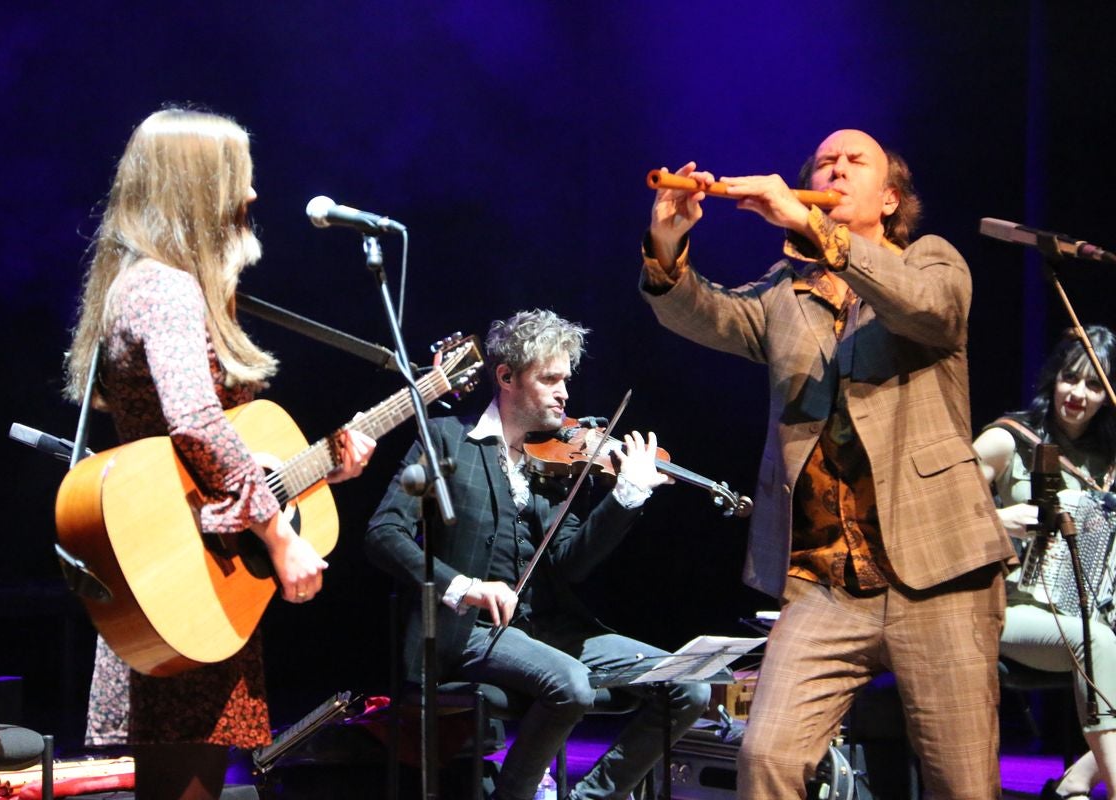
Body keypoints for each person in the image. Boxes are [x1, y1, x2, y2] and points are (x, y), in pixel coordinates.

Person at [639, 129, 1015, 799]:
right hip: (824, 580)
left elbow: (934, 313)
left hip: (939, 571)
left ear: (890, 196)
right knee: (766, 758)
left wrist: (813, 227)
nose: (834, 169)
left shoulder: (929, 260)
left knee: (962, 784)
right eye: (823, 163)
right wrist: (669, 244)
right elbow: (705, 314)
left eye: (853, 162)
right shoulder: (789, 290)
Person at [64, 108, 375, 800]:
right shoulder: (167, 290)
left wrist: (324, 467)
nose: (254, 196)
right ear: (195, 188)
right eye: (239, 179)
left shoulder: (145, 285)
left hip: (182, 568)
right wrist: (277, 533)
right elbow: (199, 424)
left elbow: (213, 440)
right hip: (186, 572)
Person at [364, 309, 711, 800]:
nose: (564, 393)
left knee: (688, 686)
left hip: (550, 628)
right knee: (570, 684)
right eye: (550, 379)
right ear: (505, 377)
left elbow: (570, 563)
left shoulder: (554, 463)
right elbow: (384, 532)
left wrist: (625, 497)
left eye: (566, 379)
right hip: (468, 632)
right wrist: (465, 588)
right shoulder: (446, 439)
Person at [974, 325, 1116, 800]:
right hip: (1016, 611)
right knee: (1096, 641)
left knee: (1098, 634)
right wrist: (999, 517)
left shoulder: (1108, 459)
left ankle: (1077, 779)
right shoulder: (1009, 439)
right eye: (1069, 379)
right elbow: (933, 510)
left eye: (1093, 385)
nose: (1077, 393)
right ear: (1052, 378)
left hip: (1090, 608)